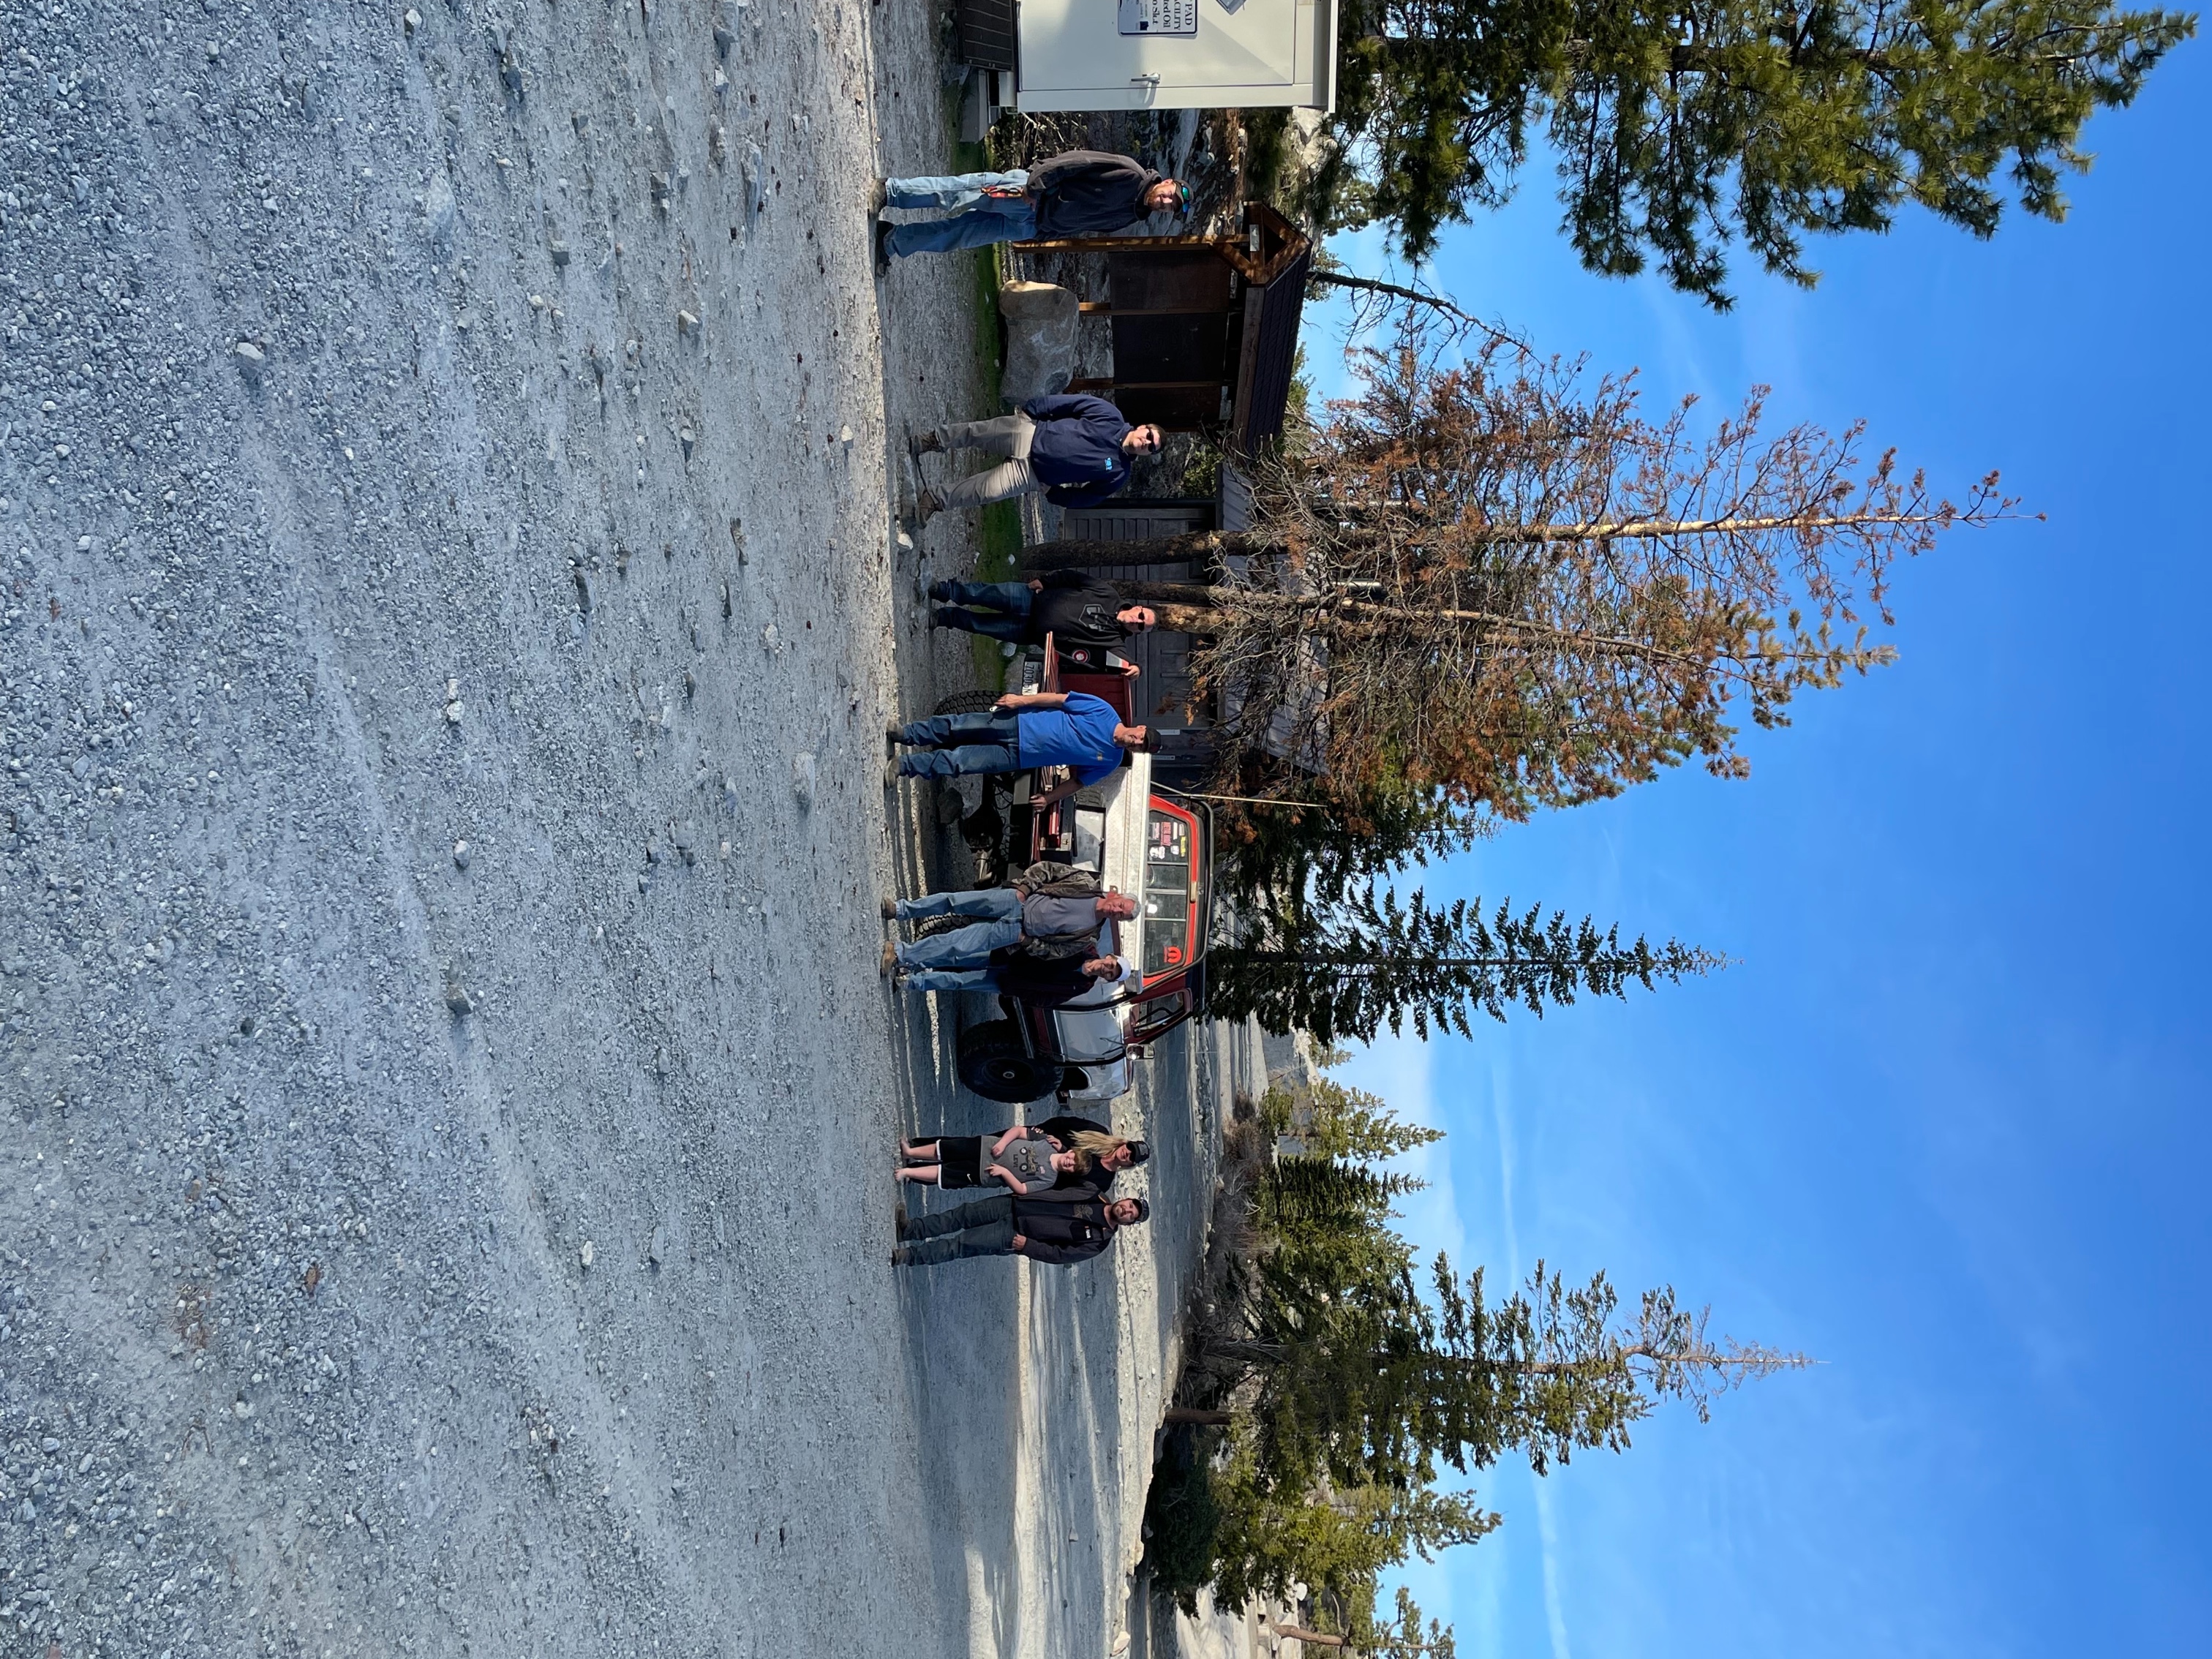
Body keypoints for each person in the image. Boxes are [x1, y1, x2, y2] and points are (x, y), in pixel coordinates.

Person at [874, 150, 1189, 267]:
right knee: (956, 194)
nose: (1165, 203)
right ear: (1166, 182)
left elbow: (1080, 225)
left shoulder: (1132, 216)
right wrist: (1035, 185)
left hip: (1030, 225)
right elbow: (1076, 161)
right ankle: (890, 191)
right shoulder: (1129, 172)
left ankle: (892, 242)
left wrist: (1039, 235)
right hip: (1028, 195)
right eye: (1169, 196)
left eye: (1170, 206)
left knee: (959, 235)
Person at [908, 396, 1162, 523]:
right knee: (976, 432)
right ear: (1143, 427)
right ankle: (933, 440)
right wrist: (1032, 410)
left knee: (982, 492)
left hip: (1032, 476)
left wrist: (1054, 494)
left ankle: (935, 500)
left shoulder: (1119, 474)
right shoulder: (1110, 415)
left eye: (1152, 447)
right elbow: (1070, 404)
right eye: (1149, 436)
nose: (1147, 442)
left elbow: (1088, 498)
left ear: (1147, 454)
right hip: (1029, 433)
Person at [877, 860, 1137, 979]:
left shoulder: (1088, 937)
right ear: (1118, 896)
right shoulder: (1086, 884)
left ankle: (900, 953)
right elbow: (1048, 869)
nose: (1116, 910)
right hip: (1014, 900)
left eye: (1121, 915)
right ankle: (899, 909)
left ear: (1119, 920)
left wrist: (1026, 941)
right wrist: (1024, 889)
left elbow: (1053, 952)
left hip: (1015, 933)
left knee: (958, 945)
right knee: (954, 902)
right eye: (1121, 905)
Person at [887, 689, 1155, 792]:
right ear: (1140, 727)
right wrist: (1021, 700)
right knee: (959, 726)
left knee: (960, 763)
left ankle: (905, 766)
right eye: (1140, 737)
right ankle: (907, 734)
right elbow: (1059, 700)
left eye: (1139, 747)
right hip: (1019, 722)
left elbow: (1078, 782)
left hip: (1020, 757)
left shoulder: (1111, 761)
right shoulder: (1104, 710)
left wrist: (1049, 800)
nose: (1135, 742)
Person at [891, 1192, 1150, 1268]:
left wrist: (1028, 1246)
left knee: (960, 1245)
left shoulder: (1099, 1241)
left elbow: (1060, 1255)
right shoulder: (1096, 1194)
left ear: (1128, 1224)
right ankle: (910, 1229)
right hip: (1014, 1204)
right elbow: (1057, 1181)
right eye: (1130, 1205)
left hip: (1016, 1235)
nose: (1127, 1210)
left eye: (1131, 1215)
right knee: (960, 1215)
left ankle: (909, 1256)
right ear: (1126, 1199)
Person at [929, 571, 1157, 649]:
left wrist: (1135, 668)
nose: (1136, 621)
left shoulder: (1114, 642)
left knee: (981, 625)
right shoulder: (1109, 594)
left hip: (1029, 632)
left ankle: (943, 618)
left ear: (1137, 633)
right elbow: (1074, 578)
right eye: (1141, 616)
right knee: (984, 593)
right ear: (1138, 607)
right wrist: (1046, 581)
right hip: (1032, 598)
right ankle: (944, 590)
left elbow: (1123, 663)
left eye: (1140, 626)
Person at [898, 1124, 1147, 1195]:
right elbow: (1065, 1127)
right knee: (953, 1147)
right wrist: (1058, 1142)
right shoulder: (1097, 1136)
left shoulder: (1102, 1182)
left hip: (1015, 1175)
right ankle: (913, 1150)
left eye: (1132, 1158)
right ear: (1125, 1143)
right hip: (1007, 1146)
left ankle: (912, 1174)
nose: (1127, 1154)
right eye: (1130, 1149)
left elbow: (1068, 1191)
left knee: (951, 1174)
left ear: (1130, 1165)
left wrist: (1007, 1175)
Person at [898, 949, 1136, 1004]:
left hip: (1011, 982)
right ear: (1109, 956)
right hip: (1009, 956)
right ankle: (911, 961)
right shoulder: (1083, 947)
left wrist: (1023, 994)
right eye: (1111, 965)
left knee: (958, 982)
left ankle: (912, 982)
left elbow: (1049, 1000)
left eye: (1111, 975)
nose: (1107, 970)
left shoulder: (1082, 986)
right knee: (958, 958)